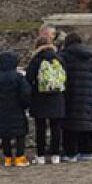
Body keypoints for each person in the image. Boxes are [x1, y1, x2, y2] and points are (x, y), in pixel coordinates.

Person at [59, 33, 92, 163]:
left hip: (70, 95)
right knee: (86, 123)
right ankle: (87, 151)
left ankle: (70, 153)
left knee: (70, 124)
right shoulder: (89, 57)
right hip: (87, 95)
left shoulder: (63, 56)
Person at [25, 36, 66, 165]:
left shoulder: (36, 60)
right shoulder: (59, 58)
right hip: (57, 98)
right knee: (56, 128)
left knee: (40, 128)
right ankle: (55, 156)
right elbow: (65, 77)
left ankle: (40, 156)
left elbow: (28, 78)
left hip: (40, 98)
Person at [0, 50, 31, 167]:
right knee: (20, 134)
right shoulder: (19, 77)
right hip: (17, 109)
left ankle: (7, 158)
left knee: (5, 135)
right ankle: (19, 157)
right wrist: (25, 105)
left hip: (3, 111)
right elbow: (26, 94)